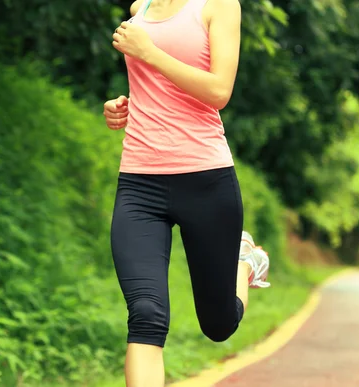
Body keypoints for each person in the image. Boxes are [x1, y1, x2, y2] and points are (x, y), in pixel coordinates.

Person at [102, 0, 271, 386]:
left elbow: (218, 91)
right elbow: (151, 87)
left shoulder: (219, 6)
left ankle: (245, 262)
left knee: (218, 325)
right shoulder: (139, 7)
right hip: (139, 182)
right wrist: (119, 106)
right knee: (146, 314)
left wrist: (149, 51)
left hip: (207, 181)